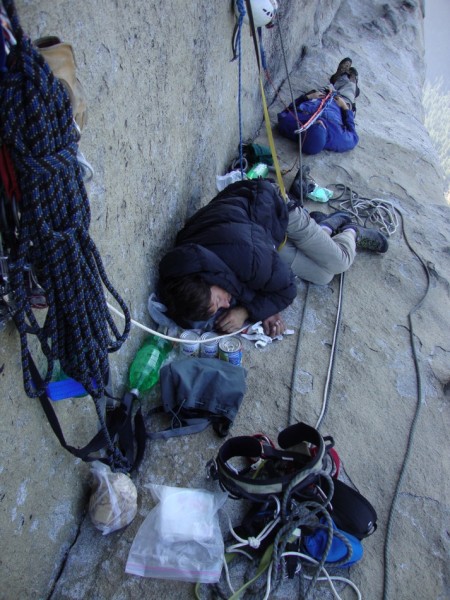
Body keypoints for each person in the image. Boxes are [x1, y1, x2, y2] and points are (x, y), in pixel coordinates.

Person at [158, 179, 388, 337]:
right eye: (220, 306)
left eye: (219, 300)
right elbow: (194, 303)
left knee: (339, 262)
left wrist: (247, 311)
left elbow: (287, 289)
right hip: (256, 230)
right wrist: (258, 306)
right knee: (322, 275)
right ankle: (324, 227)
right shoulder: (182, 271)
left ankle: (351, 231)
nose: (226, 305)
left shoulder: (250, 259)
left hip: (274, 209)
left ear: (206, 279)